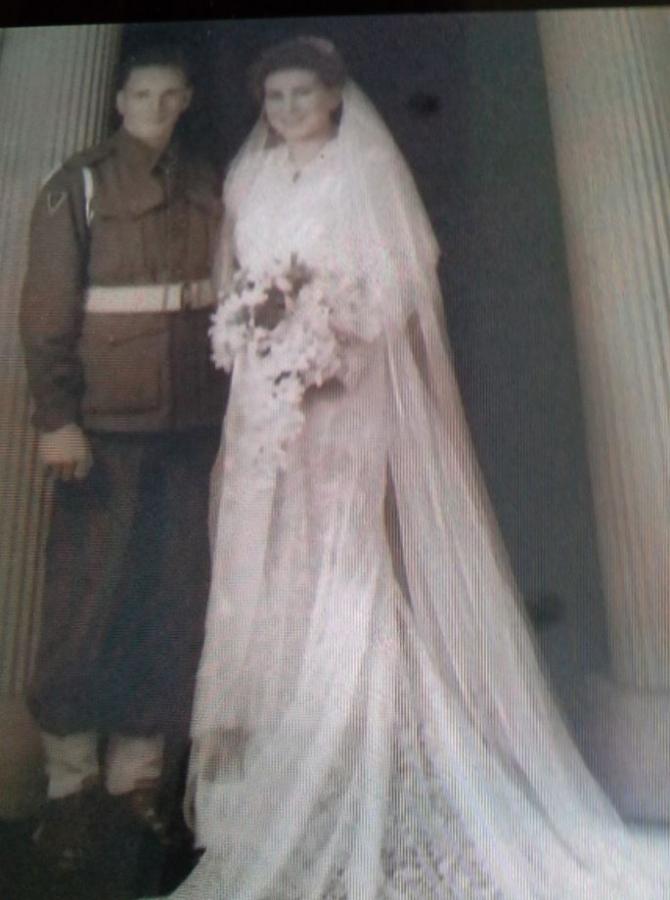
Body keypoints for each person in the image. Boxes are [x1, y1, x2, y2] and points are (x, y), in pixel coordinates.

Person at [158, 37, 669, 899]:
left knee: (344, 570)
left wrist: (322, 333)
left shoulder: (359, 175)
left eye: (301, 95)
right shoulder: (248, 181)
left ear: (333, 98)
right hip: (264, 410)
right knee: (270, 573)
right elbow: (236, 282)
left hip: (346, 393)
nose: (286, 111)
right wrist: (257, 330)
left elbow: (394, 291)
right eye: (274, 97)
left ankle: (372, 777)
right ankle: (288, 793)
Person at [20, 44, 227, 869]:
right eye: (143, 95)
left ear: (183, 102)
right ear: (118, 101)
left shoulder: (208, 180)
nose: (157, 108)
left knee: (168, 599)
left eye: (172, 96)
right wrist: (56, 419)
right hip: (102, 430)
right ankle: (69, 793)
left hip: (188, 429)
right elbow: (45, 315)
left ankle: (135, 785)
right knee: (87, 602)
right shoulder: (79, 184)